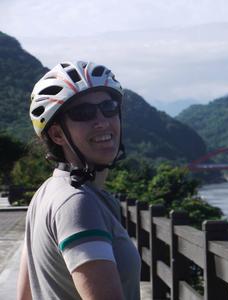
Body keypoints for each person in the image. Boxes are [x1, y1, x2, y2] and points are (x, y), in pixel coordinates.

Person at [17, 61, 141, 300]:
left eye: (109, 107)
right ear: (57, 134)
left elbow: (24, 296)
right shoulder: (78, 203)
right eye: (83, 113)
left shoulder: (47, 193)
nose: (102, 121)